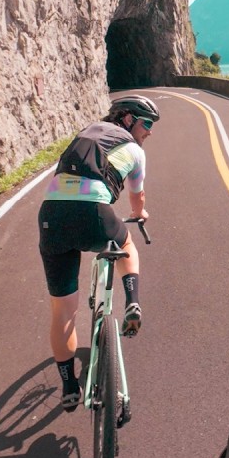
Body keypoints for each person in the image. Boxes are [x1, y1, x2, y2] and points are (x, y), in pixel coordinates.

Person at [39, 94, 159, 412]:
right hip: (94, 213)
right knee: (126, 244)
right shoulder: (134, 150)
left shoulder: (86, 135)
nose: (150, 131)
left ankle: (69, 387)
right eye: (147, 123)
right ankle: (132, 302)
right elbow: (137, 196)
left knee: (63, 312)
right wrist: (140, 214)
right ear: (128, 119)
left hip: (51, 215)